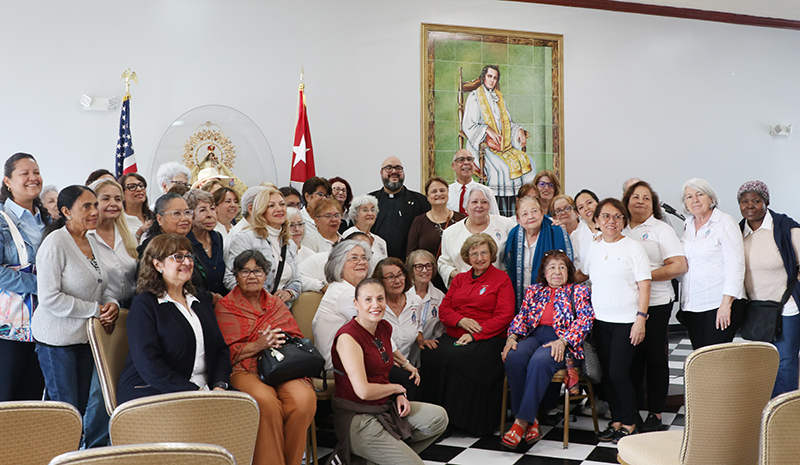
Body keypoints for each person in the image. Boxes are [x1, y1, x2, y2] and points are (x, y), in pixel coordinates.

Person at [328, 278, 447, 465]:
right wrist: (397, 389)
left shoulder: (383, 327)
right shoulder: (348, 337)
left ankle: (373, 460)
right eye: (368, 300)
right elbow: (363, 391)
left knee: (439, 418)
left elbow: (385, 362)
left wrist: (399, 390)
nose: (375, 305)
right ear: (356, 304)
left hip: (383, 407)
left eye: (380, 298)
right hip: (357, 418)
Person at [215, 249, 316, 465]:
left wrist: (277, 340)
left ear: (265, 275)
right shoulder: (225, 306)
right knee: (265, 402)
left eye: (258, 271)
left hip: (280, 365)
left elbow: (295, 336)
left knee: (303, 400)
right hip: (242, 368)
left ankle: (292, 461)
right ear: (236, 276)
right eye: (245, 271)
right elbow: (224, 352)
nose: (252, 276)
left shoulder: (276, 303)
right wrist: (258, 344)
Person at [33, 185, 119, 421]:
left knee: (79, 408)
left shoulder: (91, 240)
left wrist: (111, 304)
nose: (94, 212)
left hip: (85, 338)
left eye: (95, 205)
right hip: (57, 342)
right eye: (86, 206)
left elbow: (101, 285)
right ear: (66, 211)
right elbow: (50, 298)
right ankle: (59, 456)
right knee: (66, 411)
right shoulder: (55, 244)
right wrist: (95, 310)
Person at [420, 233, 515, 436]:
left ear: (491, 255)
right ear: (467, 257)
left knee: (459, 356)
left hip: (488, 338)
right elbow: (444, 310)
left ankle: (466, 422)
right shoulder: (459, 280)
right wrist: (460, 320)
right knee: (431, 353)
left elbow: (504, 315)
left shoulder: (502, 279)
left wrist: (475, 335)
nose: (479, 258)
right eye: (474, 254)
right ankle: (435, 419)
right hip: (455, 334)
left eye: (484, 253)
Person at [118, 234, 231, 404]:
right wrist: (195, 392)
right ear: (157, 264)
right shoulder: (145, 305)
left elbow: (220, 350)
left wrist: (219, 386)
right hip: (155, 391)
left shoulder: (199, 299)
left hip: (205, 390)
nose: (187, 262)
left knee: (248, 408)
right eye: (178, 257)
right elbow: (149, 365)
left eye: (189, 256)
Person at [501, 251, 594, 449]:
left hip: (564, 342)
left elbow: (585, 320)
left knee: (540, 361)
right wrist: (512, 336)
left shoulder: (579, 291)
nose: (557, 271)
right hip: (535, 336)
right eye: (551, 267)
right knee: (514, 356)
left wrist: (564, 340)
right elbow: (523, 317)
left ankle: (521, 422)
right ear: (544, 272)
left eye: (562, 267)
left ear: (568, 272)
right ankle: (531, 419)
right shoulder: (534, 290)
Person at [580, 198, 651, 443]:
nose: (612, 221)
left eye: (617, 216)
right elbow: (585, 274)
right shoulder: (595, 246)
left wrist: (640, 319)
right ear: (597, 220)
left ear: (624, 220)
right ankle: (617, 420)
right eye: (606, 216)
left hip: (627, 322)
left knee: (620, 373)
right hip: (601, 321)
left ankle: (630, 423)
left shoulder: (633, 247)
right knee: (607, 376)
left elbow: (645, 285)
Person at [622, 181, 687, 432]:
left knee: (655, 357)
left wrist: (645, 276)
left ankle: (656, 412)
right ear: (626, 200)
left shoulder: (661, 229)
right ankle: (633, 410)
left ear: (653, 204)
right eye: (635, 197)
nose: (640, 201)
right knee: (631, 359)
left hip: (657, 303)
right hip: (627, 305)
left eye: (646, 198)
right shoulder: (620, 228)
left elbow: (679, 266)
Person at [737, 180, 800, 397]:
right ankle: (763, 414)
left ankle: (783, 418)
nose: (750, 205)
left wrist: (793, 288)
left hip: (785, 306)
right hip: (755, 309)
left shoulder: (785, 228)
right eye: (744, 201)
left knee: (786, 362)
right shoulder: (737, 234)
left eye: (756, 200)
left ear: (767, 202)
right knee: (761, 363)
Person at [0, 153, 51, 402]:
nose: (33, 178)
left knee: (34, 395)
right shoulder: (0, 220)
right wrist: (42, 286)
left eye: (36, 172)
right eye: (25, 173)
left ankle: (26, 442)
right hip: (10, 328)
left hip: (47, 323)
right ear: (8, 181)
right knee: (7, 394)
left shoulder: (49, 221)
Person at [680, 178, 745, 349]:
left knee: (715, 360)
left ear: (711, 198)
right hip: (694, 305)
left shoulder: (725, 222)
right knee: (700, 358)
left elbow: (736, 265)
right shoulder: (688, 224)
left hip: (719, 303)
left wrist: (726, 304)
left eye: (700, 194)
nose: (695, 200)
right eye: (689, 196)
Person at [461, 65, 535, 214]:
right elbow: (469, 125)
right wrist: (486, 130)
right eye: (489, 76)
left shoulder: (499, 97)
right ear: (484, 77)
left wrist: (518, 129)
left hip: (502, 145)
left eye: (495, 77)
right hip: (482, 145)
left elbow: (508, 122)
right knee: (501, 169)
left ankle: (517, 211)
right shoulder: (475, 97)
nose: (492, 80)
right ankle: (499, 212)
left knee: (527, 161)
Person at [138, 193, 221, 304]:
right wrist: (209, 297)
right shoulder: (155, 247)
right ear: (160, 219)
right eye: (176, 213)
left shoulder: (183, 241)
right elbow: (163, 287)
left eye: (187, 213)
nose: (184, 218)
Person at [224, 188, 301, 306]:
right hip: (252, 309)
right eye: (271, 205)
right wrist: (259, 298)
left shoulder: (288, 242)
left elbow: (296, 280)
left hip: (280, 310)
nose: (279, 209)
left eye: (282, 204)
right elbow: (230, 278)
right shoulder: (245, 238)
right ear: (261, 210)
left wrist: (289, 293)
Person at [312, 240, 372, 371]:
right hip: (336, 365)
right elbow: (373, 331)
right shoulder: (345, 294)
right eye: (354, 258)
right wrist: (404, 362)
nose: (361, 262)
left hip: (352, 359)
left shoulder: (350, 290)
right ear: (339, 264)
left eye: (364, 258)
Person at [504, 196, 573, 312]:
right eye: (524, 214)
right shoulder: (514, 235)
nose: (530, 216)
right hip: (520, 294)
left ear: (542, 213)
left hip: (552, 299)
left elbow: (567, 267)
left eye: (534, 211)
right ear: (518, 219)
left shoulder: (556, 231)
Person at [438, 185, 515, 286]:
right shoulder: (450, 233)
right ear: (466, 206)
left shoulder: (507, 225)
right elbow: (444, 264)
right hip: (466, 288)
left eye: (484, 202)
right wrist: (463, 277)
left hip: (498, 286)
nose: (479, 205)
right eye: (474, 202)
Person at [373, 258, 422, 398]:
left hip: (406, 365)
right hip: (380, 365)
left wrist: (421, 339)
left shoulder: (415, 302)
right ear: (380, 281)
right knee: (408, 380)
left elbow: (417, 326)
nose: (397, 280)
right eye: (390, 277)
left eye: (400, 275)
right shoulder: (375, 305)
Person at [407, 176, 465, 292]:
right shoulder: (419, 222)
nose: (438, 194)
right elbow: (410, 255)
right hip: (428, 281)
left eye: (442, 190)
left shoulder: (461, 219)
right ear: (427, 197)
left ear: (448, 193)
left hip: (456, 279)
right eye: (434, 191)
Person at [369, 156, 430, 260]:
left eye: (398, 168)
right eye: (388, 168)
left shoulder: (420, 201)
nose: (394, 171)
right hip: (375, 263)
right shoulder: (369, 202)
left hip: (408, 264)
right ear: (381, 172)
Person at [405, 249, 445, 366]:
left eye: (428, 266)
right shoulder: (404, 294)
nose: (424, 270)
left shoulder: (440, 296)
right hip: (405, 353)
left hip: (430, 355)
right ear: (411, 270)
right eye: (419, 266)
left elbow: (441, 329)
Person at [185, 189, 227, 296]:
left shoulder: (217, 238)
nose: (210, 215)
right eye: (202, 210)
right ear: (190, 215)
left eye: (212, 209)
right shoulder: (185, 242)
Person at [447, 149, 499, 216]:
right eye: (461, 159)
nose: (466, 163)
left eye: (469, 159)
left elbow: (495, 218)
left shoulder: (486, 192)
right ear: (453, 166)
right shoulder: (446, 192)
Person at [343, 195, 388, 271]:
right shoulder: (349, 235)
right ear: (355, 216)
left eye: (373, 210)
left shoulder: (381, 241)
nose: (370, 213)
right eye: (365, 210)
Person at [571, 189, 601, 278]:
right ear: (578, 213)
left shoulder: (613, 227)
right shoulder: (575, 236)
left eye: (589, 203)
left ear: (599, 203)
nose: (587, 208)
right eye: (581, 207)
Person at [118, 173, 154, 242]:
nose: (139, 189)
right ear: (121, 194)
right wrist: (139, 234)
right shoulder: (119, 220)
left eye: (141, 186)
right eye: (132, 187)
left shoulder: (153, 216)